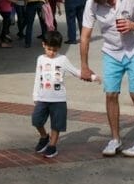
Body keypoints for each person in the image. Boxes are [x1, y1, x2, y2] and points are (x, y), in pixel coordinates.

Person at [79, 0, 134, 157]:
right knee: (111, 94)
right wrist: (84, 65)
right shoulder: (92, 3)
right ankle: (115, 139)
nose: (93, 0)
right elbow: (85, 36)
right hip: (111, 51)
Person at [31, 30, 92, 158]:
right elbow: (38, 77)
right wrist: (35, 95)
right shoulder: (40, 59)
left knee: (56, 124)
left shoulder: (62, 59)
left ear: (59, 48)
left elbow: (75, 72)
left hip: (58, 99)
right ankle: (44, 137)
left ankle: (52, 146)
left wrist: (91, 76)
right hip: (42, 98)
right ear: (43, 45)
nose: (51, 52)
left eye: (54, 50)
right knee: (36, 120)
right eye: (49, 49)